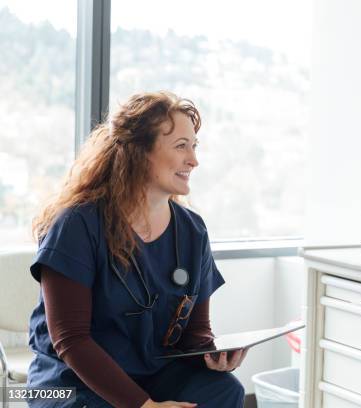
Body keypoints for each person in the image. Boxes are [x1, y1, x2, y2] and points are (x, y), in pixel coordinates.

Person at [27, 91, 246, 408]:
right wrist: (144, 406)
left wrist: (213, 355)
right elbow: (71, 341)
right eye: (181, 146)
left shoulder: (192, 231)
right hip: (67, 381)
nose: (194, 160)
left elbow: (195, 332)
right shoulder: (77, 224)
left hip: (151, 374)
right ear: (140, 152)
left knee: (224, 390)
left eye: (194, 146)